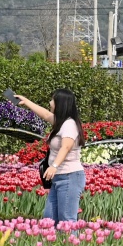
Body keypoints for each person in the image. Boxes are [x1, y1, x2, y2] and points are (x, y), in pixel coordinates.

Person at [15, 89, 85, 223]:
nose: (50, 103)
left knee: (67, 220)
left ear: (61, 104)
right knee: (49, 219)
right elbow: (46, 114)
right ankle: (53, 244)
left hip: (69, 177)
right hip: (58, 178)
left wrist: (54, 166)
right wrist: (26, 101)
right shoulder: (61, 122)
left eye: (53, 100)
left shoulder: (69, 124)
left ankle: (71, 244)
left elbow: (66, 146)